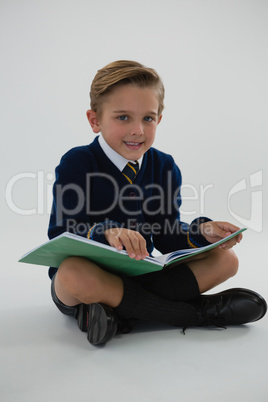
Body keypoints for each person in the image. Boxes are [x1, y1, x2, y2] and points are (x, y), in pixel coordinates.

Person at [48, 60, 267, 346]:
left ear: (159, 120)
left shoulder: (164, 166)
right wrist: (107, 232)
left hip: (143, 275)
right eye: (123, 117)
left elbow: (166, 232)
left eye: (148, 118)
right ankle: (192, 313)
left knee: (226, 260)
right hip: (89, 280)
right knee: (72, 273)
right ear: (95, 120)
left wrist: (203, 232)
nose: (138, 130)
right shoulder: (77, 162)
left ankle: (116, 314)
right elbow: (60, 233)